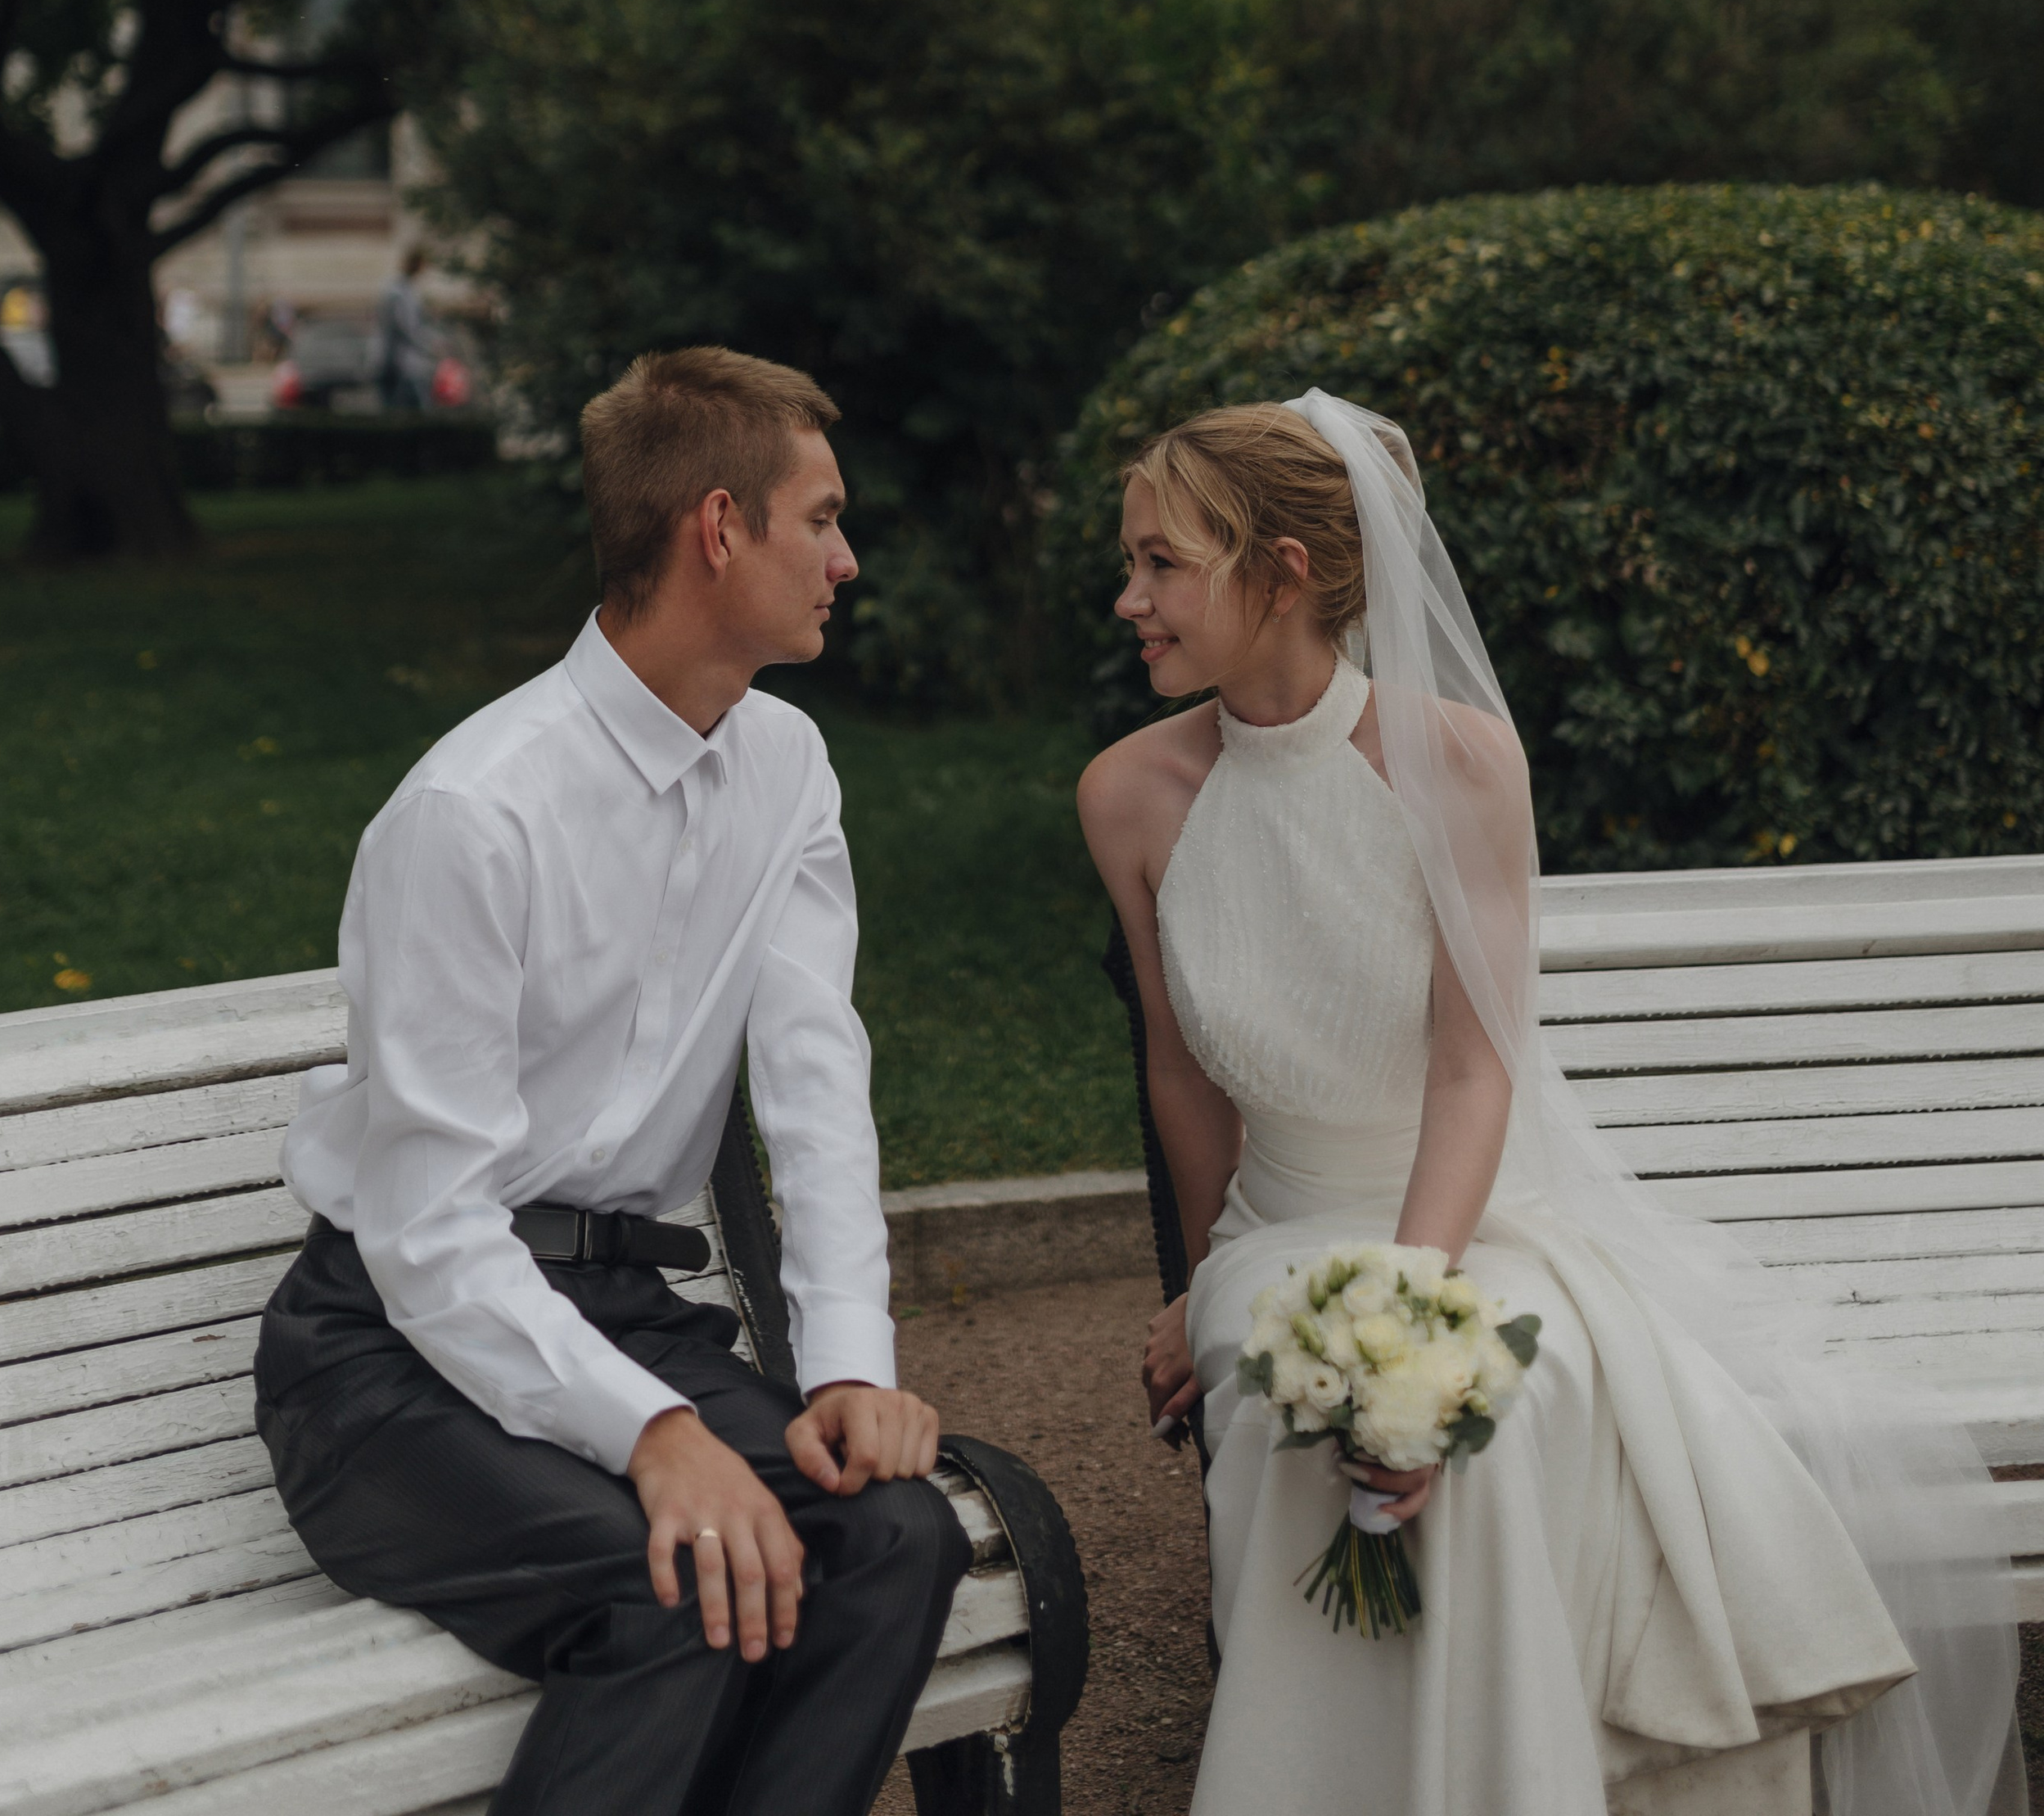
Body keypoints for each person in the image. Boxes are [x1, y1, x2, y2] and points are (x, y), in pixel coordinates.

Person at [1080, 395, 2020, 1816]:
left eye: (1160, 563)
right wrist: (1205, 1270)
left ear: (1277, 567)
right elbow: (1178, 1064)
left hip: (1475, 1213)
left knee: (1510, 1409)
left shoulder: (1459, 760)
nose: (1127, 596)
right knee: (1289, 1397)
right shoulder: (1130, 794)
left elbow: (1476, 1066)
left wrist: (1410, 1284)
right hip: (1278, 1223)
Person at [255, 346, 968, 1816]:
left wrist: (846, 1366)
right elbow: (432, 1231)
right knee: (679, 1583)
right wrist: (656, 1437)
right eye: (821, 519)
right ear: (720, 526)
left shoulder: (789, 767)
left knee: (901, 1539)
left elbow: (817, 1083)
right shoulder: (473, 810)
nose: (847, 557)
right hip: (385, 1359)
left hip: (630, 1314)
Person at [372, 246, 436, 409]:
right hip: (400, 364)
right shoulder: (398, 292)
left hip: (401, 362)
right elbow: (406, 328)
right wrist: (428, 346)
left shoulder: (403, 290)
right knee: (410, 409)